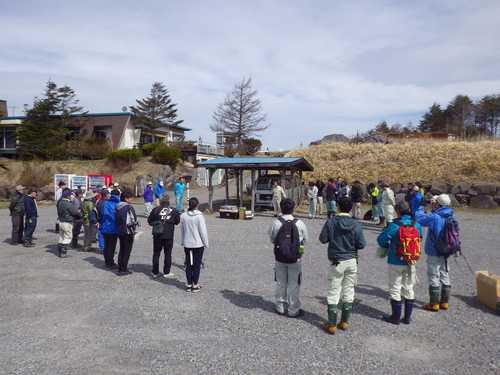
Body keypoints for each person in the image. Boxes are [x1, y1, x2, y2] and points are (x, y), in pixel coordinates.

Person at [319, 197, 366, 334]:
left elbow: (322, 239)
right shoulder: (356, 224)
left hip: (337, 260)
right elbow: (361, 244)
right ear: (350, 208)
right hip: (351, 260)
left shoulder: (331, 222)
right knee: (349, 290)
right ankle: (344, 321)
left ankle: (332, 324)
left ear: (338, 207)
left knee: (334, 290)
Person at [377, 202, 423, 325]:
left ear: (398, 211)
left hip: (395, 260)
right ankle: (407, 318)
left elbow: (381, 240)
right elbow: (420, 238)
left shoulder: (394, 225)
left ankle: (395, 317)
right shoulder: (416, 224)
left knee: (395, 287)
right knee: (409, 287)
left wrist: (389, 245)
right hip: (411, 260)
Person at [415, 194, 457, 312]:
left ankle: (434, 304)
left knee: (434, 275)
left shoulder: (435, 217)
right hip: (447, 250)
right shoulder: (452, 215)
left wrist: (421, 206)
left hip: (434, 250)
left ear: (438, 203)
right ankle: (444, 302)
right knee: (444, 273)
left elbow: (419, 219)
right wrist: (435, 207)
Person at [269, 198, 308, 317]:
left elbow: (272, 239)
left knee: (280, 282)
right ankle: (293, 309)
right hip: (295, 258)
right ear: (293, 208)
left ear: (281, 208)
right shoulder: (300, 223)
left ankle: (280, 306)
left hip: (280, 258)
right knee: (294, 283)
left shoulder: (276, 222)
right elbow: (305, 240)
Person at [148, 195, 181, 278]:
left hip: (157, 234)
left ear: (160, 201)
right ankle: (166, 272)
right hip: (169, 235)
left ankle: (155, 272)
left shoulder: (155, 209)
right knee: (168, 254)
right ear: (169, 201)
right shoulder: (174, 210)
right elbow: (177, 221)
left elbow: (149, 221)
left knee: (156, 253)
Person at [180, 197, 209, 292]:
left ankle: (189, 284)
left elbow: (182, 230)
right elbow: (203, 232)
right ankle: (195, 284)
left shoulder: (184, 216)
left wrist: (183, 241)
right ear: (197, 205)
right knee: (197, 264)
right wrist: (206, 243)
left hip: (187, 243)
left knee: (188, 264)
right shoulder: (200, 216)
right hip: (198, 244)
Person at [116, 191, 139, 275]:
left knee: (122, 249)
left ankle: (120, 267)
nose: (132, 199)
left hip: (120, 230)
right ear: (126, 198)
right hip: (128, 231)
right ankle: (123, 269)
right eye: (130, 198)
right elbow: (133, 219)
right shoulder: (128, 207)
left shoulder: (118, 206)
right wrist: (135, 226)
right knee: (127, 251)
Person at [99, 189, 121, 269]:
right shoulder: (118, 204)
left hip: (105, 227)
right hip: (113, 228)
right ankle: (110, 263)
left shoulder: (105, 203)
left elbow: (101, 215)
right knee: (111, 246)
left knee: (106, 245)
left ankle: (107, 261)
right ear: (118, 195)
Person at [56, 188, 81, 257]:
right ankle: (63, 252)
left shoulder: (60, 202)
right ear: (68, 196)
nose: (71, 196)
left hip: (61, 221)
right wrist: (79, 212)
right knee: (68, 237)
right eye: (70, 195)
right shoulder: (68, 203)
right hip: (67, 222)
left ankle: (60, 250)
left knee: (61, 237)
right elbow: (75, 212)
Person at [96, 189, 109, 254]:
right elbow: (104, 213)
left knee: (101, 235)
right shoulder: (105, 203)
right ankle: (104, 249)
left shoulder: (99, 201)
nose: (109, 195)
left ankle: (102, 248)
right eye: (108, 194)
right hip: (104, 221)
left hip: (99, 220)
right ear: (105, 195)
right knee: (104, 235)